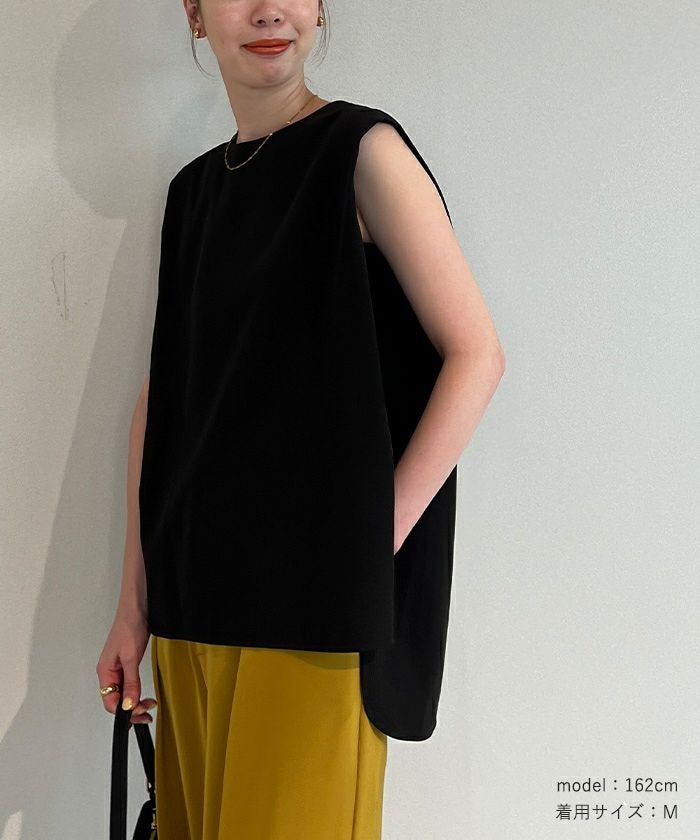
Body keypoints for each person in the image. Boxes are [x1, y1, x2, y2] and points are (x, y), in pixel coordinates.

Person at [96, 0, 506, 837]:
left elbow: (476, 355)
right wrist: (133, 604)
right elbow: (163, 403)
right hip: (191, 606)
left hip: (311, 619)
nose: (269, 11)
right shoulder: (193, 192)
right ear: (195, 13)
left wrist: (367, 542)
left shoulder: (361, 151)